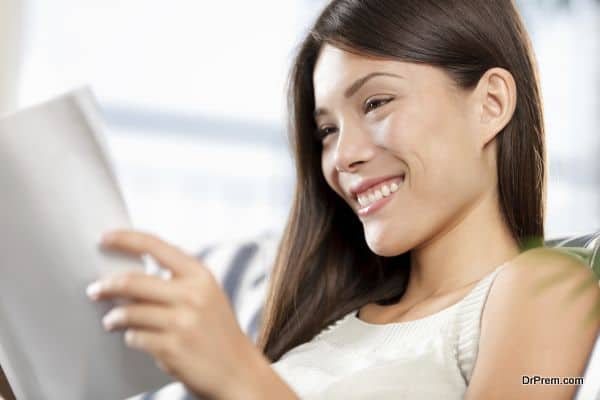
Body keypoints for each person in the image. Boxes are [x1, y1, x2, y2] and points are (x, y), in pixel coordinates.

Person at [86, 0, 600, 399]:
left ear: (490, 105)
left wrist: (243, 380)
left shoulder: (542, 287)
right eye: (327, 130)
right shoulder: (333, 319)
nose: (342, 157)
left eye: (376, 102)